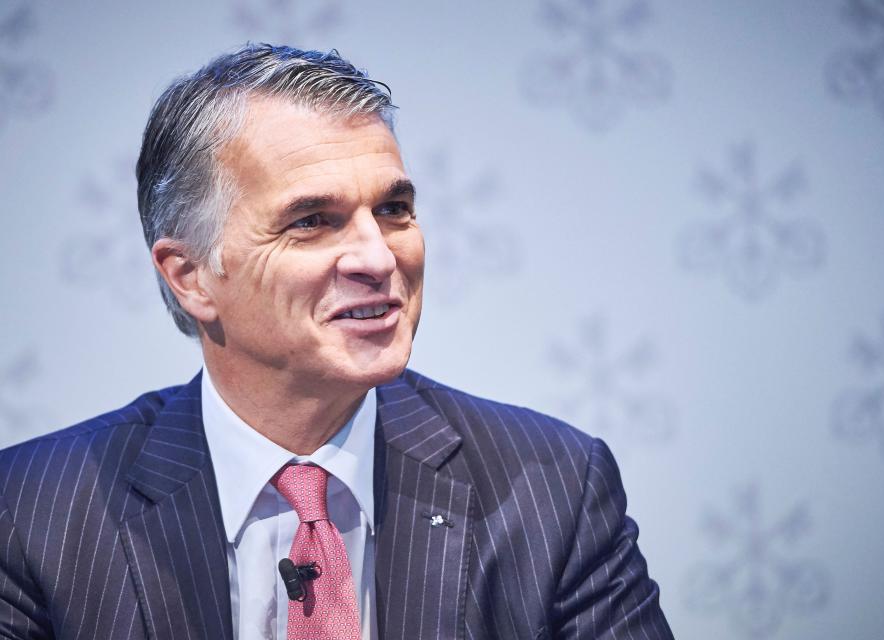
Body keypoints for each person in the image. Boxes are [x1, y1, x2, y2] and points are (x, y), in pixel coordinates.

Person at [0, 44, 673, 640]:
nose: (378, 258)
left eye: (393, 210)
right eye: (313, 221)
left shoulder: (553, 488)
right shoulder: (33, 512)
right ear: (191, 277)